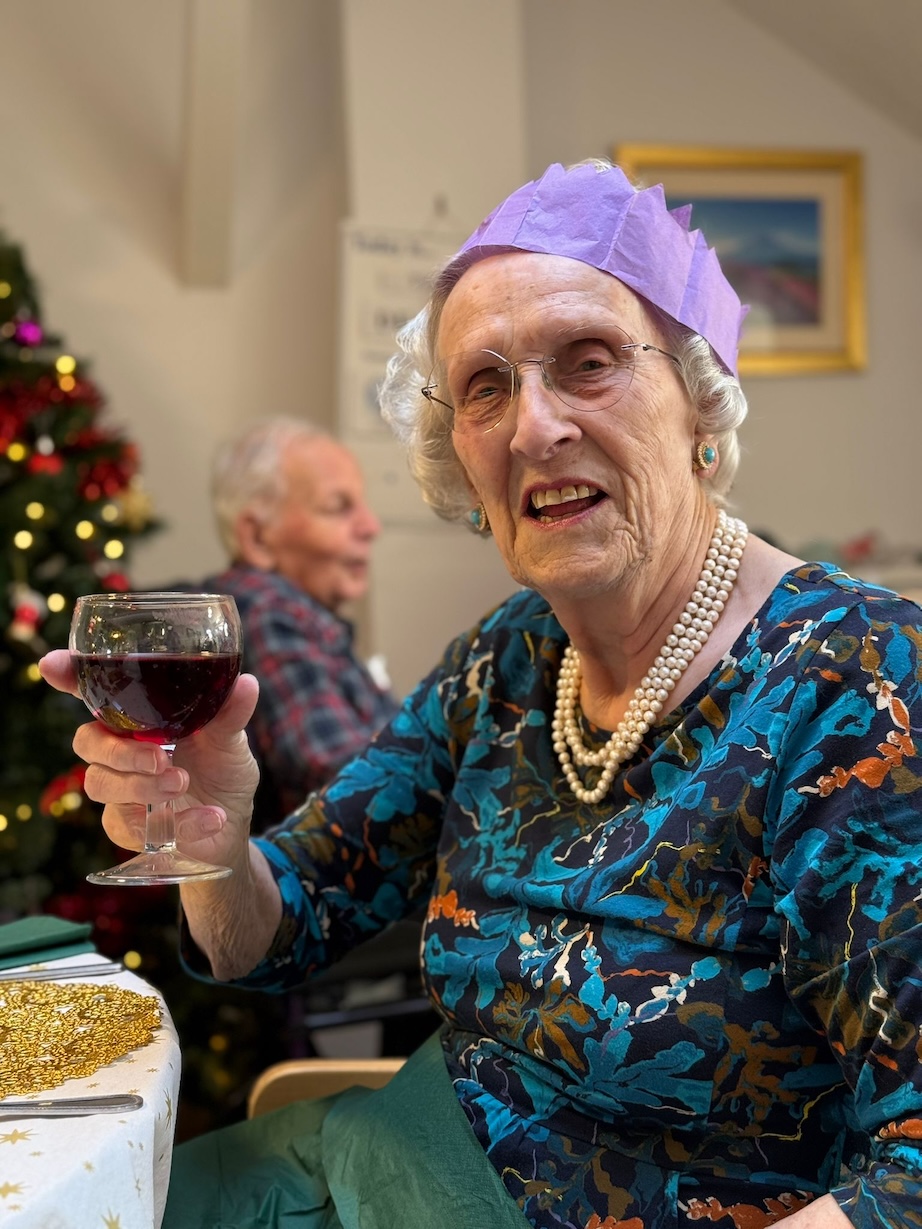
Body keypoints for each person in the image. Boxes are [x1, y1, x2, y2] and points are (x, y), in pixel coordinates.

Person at [41, 161, 922, 1229]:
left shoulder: (861, 687)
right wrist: (214, 837)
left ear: (699, 398)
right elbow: (271, 935)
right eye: (486, 386)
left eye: (588, 361)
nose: (531, 425)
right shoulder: (504, 663)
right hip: (378, 1165)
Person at [202, 416, 399, 827]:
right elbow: (342, 773)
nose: (370, 526)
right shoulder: (270, 613)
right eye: (338, 507)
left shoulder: (293, 614)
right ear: (257, 538)